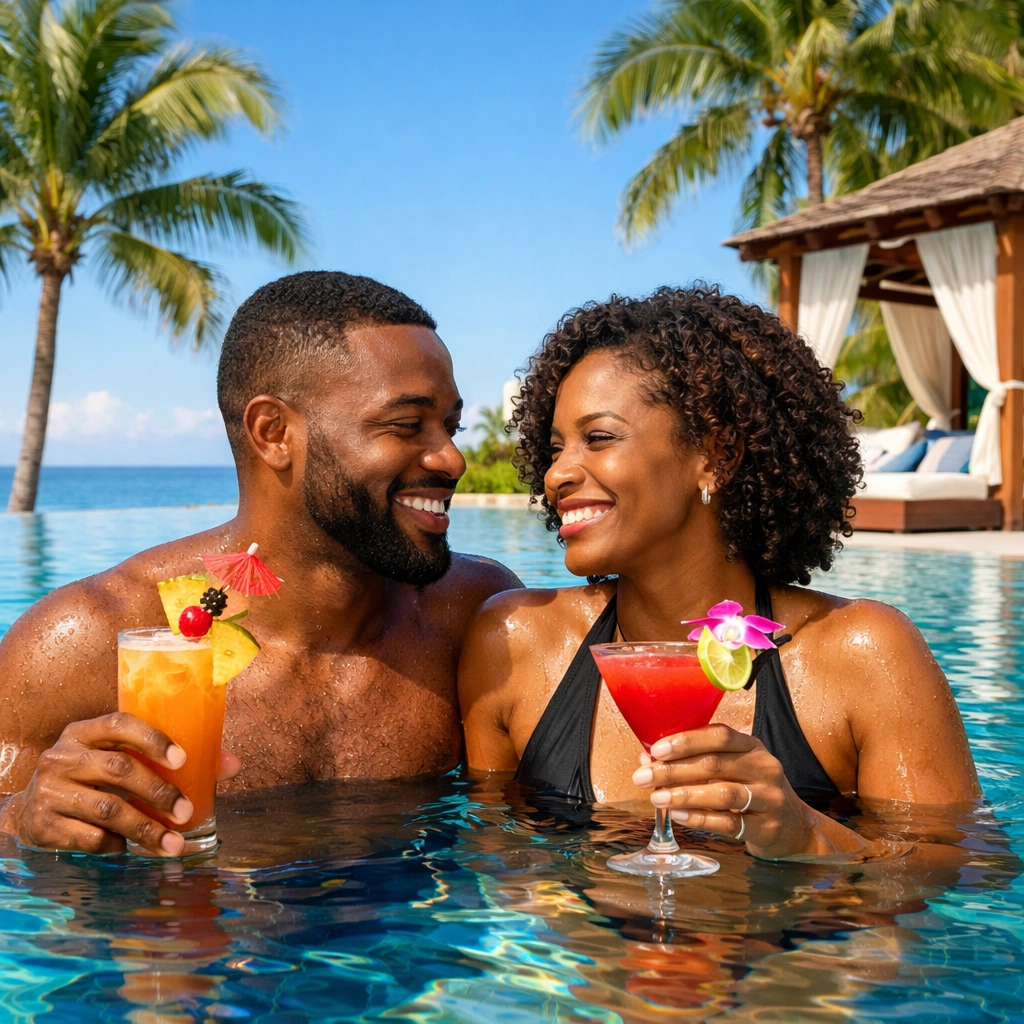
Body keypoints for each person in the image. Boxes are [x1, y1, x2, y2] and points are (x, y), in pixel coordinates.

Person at [0, 271, 520, 857]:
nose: (452, 459)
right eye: (406, 425)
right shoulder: (90, 637)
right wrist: (21, 820)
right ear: (273, 432)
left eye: (451, 426)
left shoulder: (473, 615)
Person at [459, 285, 980, 861]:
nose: (557, 473)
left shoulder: (864, 656)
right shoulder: (515, 644)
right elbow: (497, 869)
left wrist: (807, 835)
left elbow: (956, 871)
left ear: (716, 454)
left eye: (598, 438)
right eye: (554, 448)